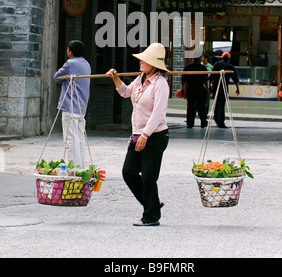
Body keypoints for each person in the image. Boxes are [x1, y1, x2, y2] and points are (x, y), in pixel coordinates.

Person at [106, 42, 169, 227]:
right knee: (129, 172)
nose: (141, 62)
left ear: (154, 65)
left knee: (149, 177)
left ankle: (151, 217)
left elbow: (158, 114)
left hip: (155, 136)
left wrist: (145, 135)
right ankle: (153, 204)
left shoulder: (161, 84)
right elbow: (125, 92)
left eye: (145, 60)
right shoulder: (141, 79)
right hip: (137, 135)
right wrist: (115, 78)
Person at [54, 40, 91, 168]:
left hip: (70, 107)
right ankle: (80, 167)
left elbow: (56, 77)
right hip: (81, 108)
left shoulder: (70, 64)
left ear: (70, 51)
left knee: (70, 140)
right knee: (79, 139)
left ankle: (72, 170)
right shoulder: (86, 64)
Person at [209, 52, 240, 128]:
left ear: (222, 58)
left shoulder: (216, 65)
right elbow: (235, 79)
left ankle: (216, 120)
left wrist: (208, 86)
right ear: (229, 59)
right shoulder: (230, 66)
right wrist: (237, 89)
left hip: (216, 87)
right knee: (221, 104)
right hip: (224, 87)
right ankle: (221, 122)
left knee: (216, 103)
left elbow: (211, 77)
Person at [181, 52, 208, 128]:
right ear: (200, 58)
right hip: (200, 88)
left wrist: (183, 88)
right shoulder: (203, 68)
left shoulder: (188, 67)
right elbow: (206, 80)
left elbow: (183, 80)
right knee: (201, 107)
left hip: (191, 88)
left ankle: (190, 123)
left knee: (190, 107)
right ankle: (203, 122)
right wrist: (207, 88)